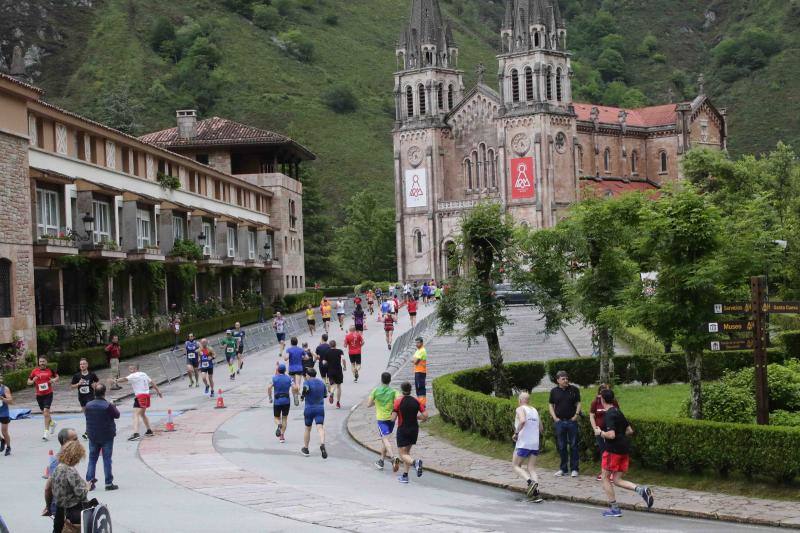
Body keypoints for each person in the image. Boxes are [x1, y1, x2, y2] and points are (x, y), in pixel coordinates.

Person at [594, 388, 654, 517]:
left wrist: (600, 433)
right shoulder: (618, 411)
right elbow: (630, 431)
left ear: (603, 400)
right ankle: (641, 490)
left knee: (605, 477)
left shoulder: (609, 414)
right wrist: (620, 435)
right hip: (624, 449)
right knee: (616, 479)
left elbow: (611, 435)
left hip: (612, 450)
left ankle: (614, 509)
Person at [84, 384, 120, 491]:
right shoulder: (107, 405)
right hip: (107, 435)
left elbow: (87, 416)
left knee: (92, 459)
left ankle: (89, 482)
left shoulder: (88, 405)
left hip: (93, 435)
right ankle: (108, 483)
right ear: (104, 392)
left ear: (94, 392)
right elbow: (117, 415)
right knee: (107, 459)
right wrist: (113, 406)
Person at [115, 364, 162, 441]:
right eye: (130, 369)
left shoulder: (133, 375)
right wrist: (158, 391)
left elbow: (124, 379)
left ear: (136, 369)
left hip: (140, 397)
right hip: (146, 396)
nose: (131, 371)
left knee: (135, 415)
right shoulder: (143, 374)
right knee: (142, 414)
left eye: (132, 369)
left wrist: (115, 380)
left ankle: (136, 434)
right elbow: (152, 382)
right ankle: (149, 430)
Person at [51, 440, 91, 532]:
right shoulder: (70, 471)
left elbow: (51, 487)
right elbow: (80, 493)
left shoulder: (58, 467)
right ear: (75, 456)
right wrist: (87, 487)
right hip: (72, 511)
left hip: (59, 509)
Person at [392, 381, 427, 483]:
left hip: (403, 429)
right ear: (410, 389)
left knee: (402, 454)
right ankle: (405, 476)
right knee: (407, 453)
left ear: (401, 390)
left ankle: (415, 462)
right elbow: (425, 415)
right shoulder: (416, 401)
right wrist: (416, 417)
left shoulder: (398, 401)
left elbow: (393, 418)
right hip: (414, 429)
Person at [548, 370, 581, 477]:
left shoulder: (574, 390)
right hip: (560, 422)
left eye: (567, 378)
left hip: (571, 421)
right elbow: (550, 405)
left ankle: (574, 469)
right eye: (563, 379)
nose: (566, 380)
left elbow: (578, 403)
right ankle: (563, 469)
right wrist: (555, 418)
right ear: (558, 380)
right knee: (561, 446)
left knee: (574, 445)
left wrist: (576, 415)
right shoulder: (554, 391)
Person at [43, 428, 78, 521]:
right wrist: (48, 506)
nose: (77, 442)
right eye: (74, 440)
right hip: (63, 509)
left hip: (69, 507)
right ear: (65, 441)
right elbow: (48, 488)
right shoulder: (58, 462)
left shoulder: (68, 457)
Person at [512, 392, 542, 500]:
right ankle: (536, 492)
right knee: (531, 468)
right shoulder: (534, 410)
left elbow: (523, 420)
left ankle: (530, 482)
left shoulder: (520, 409)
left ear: (520, 400)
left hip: (524, 442)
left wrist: (516, 433)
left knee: (515, 465)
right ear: (528, 400)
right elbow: (541, 428)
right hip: (535, 443)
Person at [368, 372, 400, 471]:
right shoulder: (394, 392)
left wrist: (376, 402)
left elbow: (368, 404)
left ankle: (393, 458)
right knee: (385, 440)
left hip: (381, 419)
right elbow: (398, 402)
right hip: (391, 419)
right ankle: (381, 461)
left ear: (381, 380)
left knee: (385, 439)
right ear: (390, 380)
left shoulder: (375, 391)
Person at [590, 383, 619, 481]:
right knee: (604, 451)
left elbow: (617, 414)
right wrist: (595, 429)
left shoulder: (613, 402)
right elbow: (592, 416)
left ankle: (612, 472)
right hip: (600, 431)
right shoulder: (595, 402)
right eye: (602, 390)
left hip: (610, 431)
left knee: (612, 451)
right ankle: (604, 471)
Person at [28, 356, 58, 441]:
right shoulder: (35, 371)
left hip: (48, 394)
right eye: (40, 361)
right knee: (46, 414)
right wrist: (33, 380)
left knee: (45, 413)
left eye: (43, 361)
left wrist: (53, 380)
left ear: (46, 362)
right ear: (38, 362)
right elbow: (28, 382)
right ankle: (52, 423)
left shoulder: (50, 370)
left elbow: (57, 377)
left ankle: (46, 433)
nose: (41, 363)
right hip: (39, 395)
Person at [300, 368, 327, 459]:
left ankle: (306, 449)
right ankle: (322, 443)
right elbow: (325, 395)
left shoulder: (307, 382)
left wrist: (303, 395)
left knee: (308, 429)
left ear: (308, 375)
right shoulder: (321, 383)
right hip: (320, 409)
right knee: (320, 427)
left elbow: (305, 389)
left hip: (309, 408)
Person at [69, 358, 99, 440]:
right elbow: (71, 386)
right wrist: (78, 384)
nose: (82, 365)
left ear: (87, 365)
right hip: (81, 397)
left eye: (84, 364)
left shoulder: (92, 374)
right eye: (81, 364)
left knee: (89, 414)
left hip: (90, 397)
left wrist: (95, 385)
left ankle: (87, 432)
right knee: (87, 416)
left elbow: (97, 382)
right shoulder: (77, 375)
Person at [268, 364, 292, 443]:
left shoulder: (274, 378)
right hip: (286, 401)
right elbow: (295, 387)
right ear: (285, 370)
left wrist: (270, 397)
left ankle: (278, 424)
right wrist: (296, 395)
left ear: (278, 370)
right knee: (284, 418)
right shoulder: (289, 378)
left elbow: (269, 387)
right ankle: (282, 436)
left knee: (276, 417)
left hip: (277, 401)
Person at [322, 340, 346, 408]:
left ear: (329, 345)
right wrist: (344, 366)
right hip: (338, 370)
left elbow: (323, 362)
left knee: (333, 384)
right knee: (338, 386)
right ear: (335, 345)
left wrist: (327, 363)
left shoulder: (327, 352)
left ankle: (332, 393)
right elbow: (343, 359)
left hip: (330, 371)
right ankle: (338, 402)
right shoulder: (340, 351)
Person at [284, 337, 306, 406]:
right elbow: (307, 357)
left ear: (291, 343)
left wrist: (287, 356)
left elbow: (286, 358)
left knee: (292, 384)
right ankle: (297, 393)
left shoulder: (289, 350)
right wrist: (301, 357)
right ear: (297, 342)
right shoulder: (301, 349)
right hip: (299, 368)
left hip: (291, 369)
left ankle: (295, 396)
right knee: (298, 384)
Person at [411, 337, 427, 408]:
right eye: (416, 343)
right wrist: (414, 360)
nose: (416, 344)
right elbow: (413, 359)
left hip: (421, 372)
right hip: (417, 371)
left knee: (421, 387)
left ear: (422, 343)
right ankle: (420, 402)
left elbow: (415, 361)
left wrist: (414, 360)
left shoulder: (422, 351)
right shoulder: (418, 350)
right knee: (417, 387)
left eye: (418, 343)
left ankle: (422, 404)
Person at [0, 377, 13, 456]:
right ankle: (2, 440)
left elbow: (11, 401)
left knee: (4, 431)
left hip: (4, 413)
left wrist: (2, 398)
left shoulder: (4, 388)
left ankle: (8, 447)